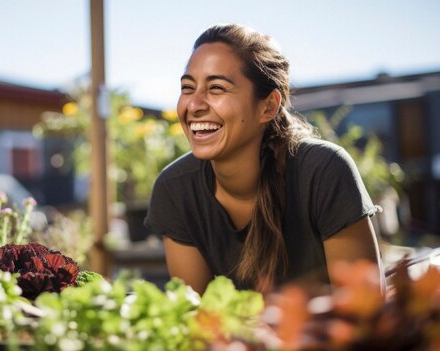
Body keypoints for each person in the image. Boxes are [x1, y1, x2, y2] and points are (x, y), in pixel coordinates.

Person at [144, 24, 385, 294]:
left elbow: (365, 310)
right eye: (188, 88)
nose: (194, 105)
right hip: (230, 338)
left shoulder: (323, 171)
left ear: (268, 106)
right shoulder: (176, 189)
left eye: (217, 88)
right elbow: (193, 317)